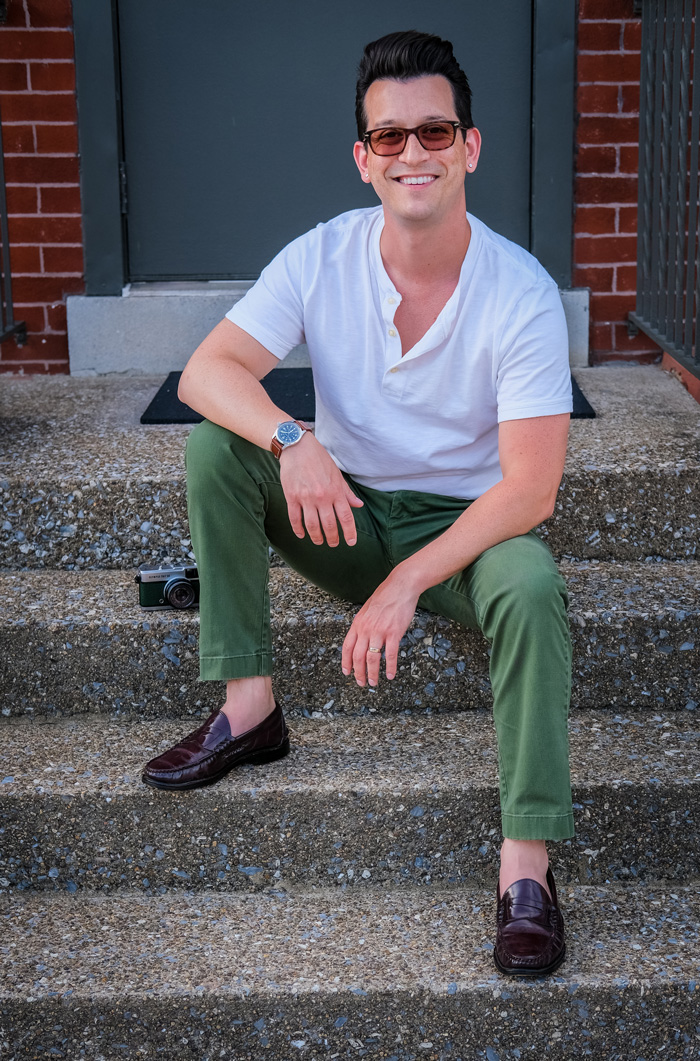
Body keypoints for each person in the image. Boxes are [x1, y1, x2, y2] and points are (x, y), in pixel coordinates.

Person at [142, 29, 573, 978]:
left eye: (434, 131)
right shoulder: (321, 256)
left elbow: (531, 489)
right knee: (223, 443)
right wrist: (294, 441)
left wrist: (410, 580)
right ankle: (249, 706)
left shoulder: (524, 295)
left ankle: (526, 864)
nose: (412, 153)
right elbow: (209, 373)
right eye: (390, 137)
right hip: (343, 511)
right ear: (362, 159)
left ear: (471, 147)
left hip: (464, 533)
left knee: (534, 587)